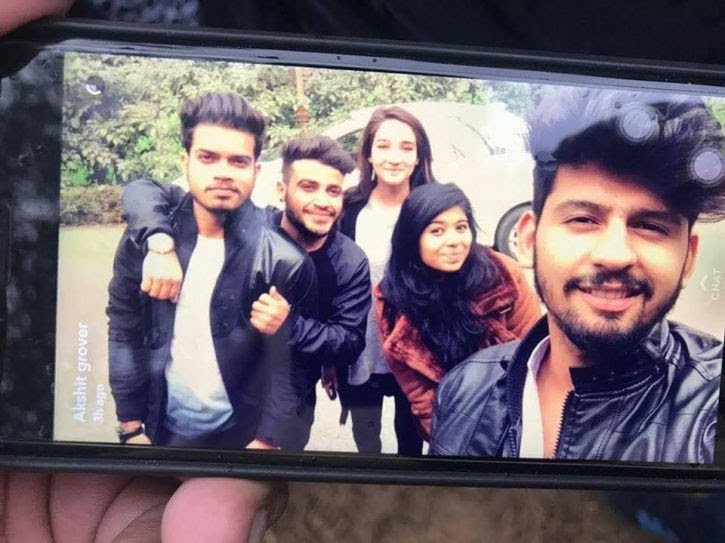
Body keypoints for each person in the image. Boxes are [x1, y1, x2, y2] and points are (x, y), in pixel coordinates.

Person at [430, 87, 725, 462]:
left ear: (688, 258)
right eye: (583, 219)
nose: (614, 256)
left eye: (650, 226)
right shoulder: (461, 391)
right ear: (528, 240)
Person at [122, 135, 372, 451]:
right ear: (281, 190)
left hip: (292, 403)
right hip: (230, 391)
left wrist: (290, 326)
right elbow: (143, 191)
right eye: (308, 187)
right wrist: (160, 243)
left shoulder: (350, 261)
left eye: (333, 191)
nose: (323, 201)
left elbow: (350, 342)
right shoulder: (251, 228)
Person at [108, 91, 318, 450]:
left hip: (242, 439)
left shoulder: (284, 260)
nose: (222, 172)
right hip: (158, 432)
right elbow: (124, 330)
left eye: (238, 161)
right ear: (185, 161)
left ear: (255, 170)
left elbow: (291, 366)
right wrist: (130, 426)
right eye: (208, 158)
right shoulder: (147, 245)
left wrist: (265, 443)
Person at [375, 182, 540, 439]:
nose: (454, 241)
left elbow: (531, 357)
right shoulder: (392, 301)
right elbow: (421, 397)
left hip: (512, 412)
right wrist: (454, 443)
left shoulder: (503, 276)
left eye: (461, 228)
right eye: (437, 231)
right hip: (450, 422)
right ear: (412, 238)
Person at [337, 105, 437, 455]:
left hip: (417, 351)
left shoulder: (434, 208)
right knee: (367, 440)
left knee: (412, 440)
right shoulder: (347, 209)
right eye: (383, 146)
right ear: (367, 154)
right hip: (361, 350)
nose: (394, 157)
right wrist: (330, 356)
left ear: (419, 156)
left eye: (406, 147)